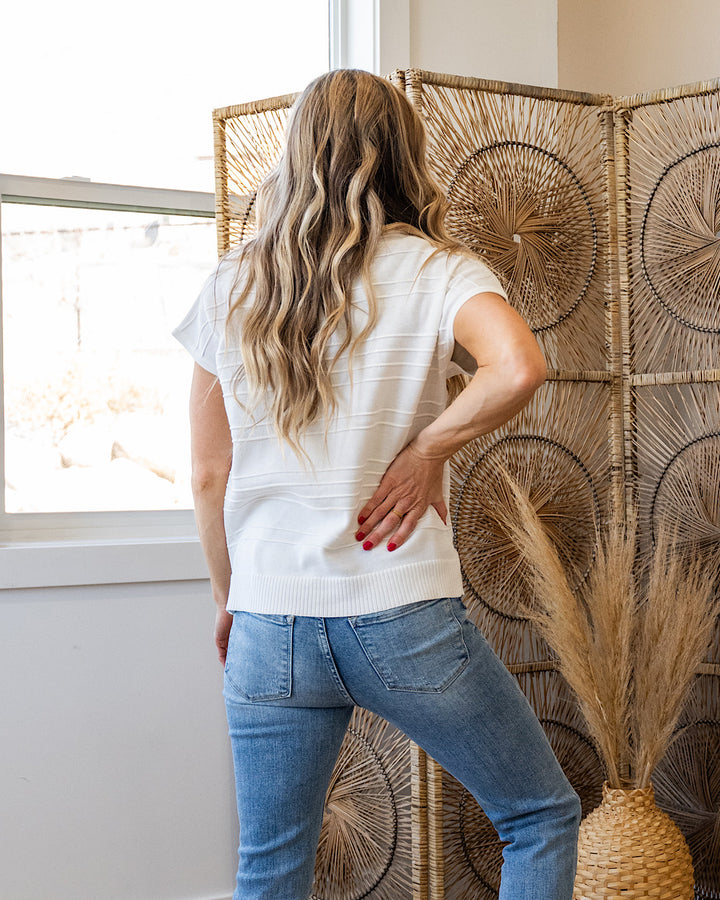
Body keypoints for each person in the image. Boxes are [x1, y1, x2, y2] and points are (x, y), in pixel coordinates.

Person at [174, 68, 581, 900]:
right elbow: (517, 365)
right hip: (400, 610)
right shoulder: (437, 270)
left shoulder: (233, 283)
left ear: (295, 154)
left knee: (271, 865)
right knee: (539, 816)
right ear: (404, 153)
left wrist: (228, 597)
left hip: (268, 621)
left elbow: (210, 475)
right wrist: (430, 447)